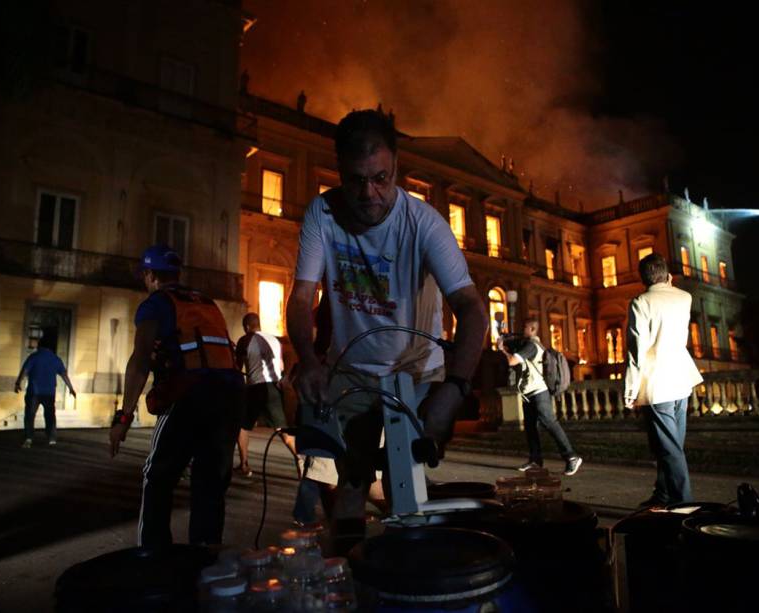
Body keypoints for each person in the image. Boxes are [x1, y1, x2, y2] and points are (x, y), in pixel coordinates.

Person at [286, 109, 488, 550]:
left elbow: (472, 308)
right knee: (350, 482)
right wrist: (309, 360)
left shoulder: (425, 223)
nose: (369, 194)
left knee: (405, 482)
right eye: (356, 180)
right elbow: (301, 299)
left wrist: (455, 388)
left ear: (396, 166)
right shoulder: (322, 212)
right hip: (353, 368)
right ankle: (347, 570)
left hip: (415, 369)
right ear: (339, 170)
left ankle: (408, 565)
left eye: (381, 178)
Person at [108, 245, 243, 548]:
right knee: (210, 483)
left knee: (158, 477)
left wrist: (124, 417)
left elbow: (140, 360)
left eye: (144, 276)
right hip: (229, 397)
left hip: (189, 394)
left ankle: (153, 555)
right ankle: (204, 558)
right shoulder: (206, 303)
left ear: (150, 275)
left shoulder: (156, 303)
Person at [624, 253, 703, 508]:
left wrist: (630, 389)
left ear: (643, 278)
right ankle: (664, 493)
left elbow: (637, 351)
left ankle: (683, 503)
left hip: (658, 382)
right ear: (668, 275)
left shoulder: (641, 302)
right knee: (672, 444)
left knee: (668, 447)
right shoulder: (684, 297)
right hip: (681, 377)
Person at [497, 319, 583, 476]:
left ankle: (571, 456)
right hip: (529, 393)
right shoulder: (530, 345)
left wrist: (502, 349)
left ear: (532, 329)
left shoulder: (531, 345)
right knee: (530, 427)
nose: (522, 329)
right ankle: (535, 460)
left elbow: (512, 361)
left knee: (550, 423)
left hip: (538, 392)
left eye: (524, 327)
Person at [234, 312, 297, 477]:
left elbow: (237, 367)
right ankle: (299, 459)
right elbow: (282, 364)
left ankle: (244, 465)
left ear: (247, 327)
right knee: (282, 428)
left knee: (242, 426)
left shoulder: (245, 340)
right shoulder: (274, 340)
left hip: (255, 387)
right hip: (274, 387)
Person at [14, 334, 76, 448]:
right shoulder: (56, 359)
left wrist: (18, 383)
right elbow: (64, 375)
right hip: (49, 392)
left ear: (40, 345)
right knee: (50, 415)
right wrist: (71, 388)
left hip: (34, 391)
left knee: (30, 415)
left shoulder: (34, 357)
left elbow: (25, 370)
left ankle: (29, 438)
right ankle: (51, 438)